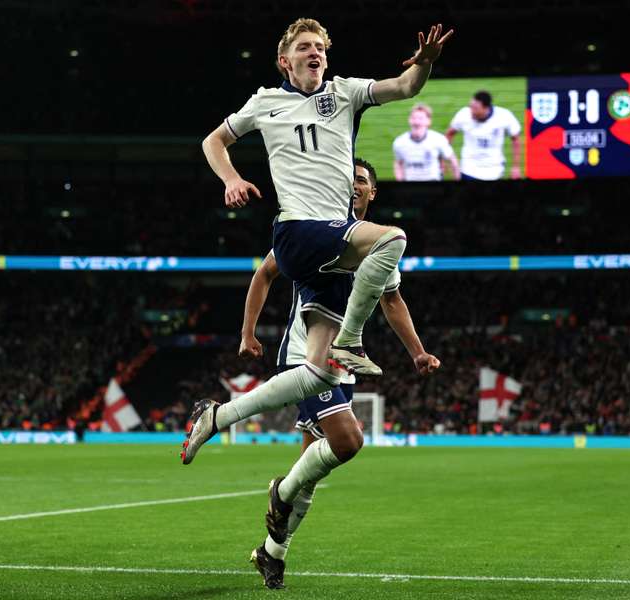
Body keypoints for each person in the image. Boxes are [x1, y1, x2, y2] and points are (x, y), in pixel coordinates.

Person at [183, 12, 451, 574]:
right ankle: (350, 341)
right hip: (299, 232)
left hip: (331, 246)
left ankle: (221, 423)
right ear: (285, 60)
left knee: (322, 380)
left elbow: (403, 87)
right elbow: (213, 139)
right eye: (304, 48)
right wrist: (230, 178)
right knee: (395, 237)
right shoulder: (265, 102)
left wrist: (423, 65)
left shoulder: (346, 95)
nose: (314, 54)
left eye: (320, 48)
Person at [239, 158, 440, 588]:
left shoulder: (380, 244)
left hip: (341, 364)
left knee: (312, 470)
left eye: (361, 181)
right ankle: (276, 489)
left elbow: (392, 302)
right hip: (306, 356)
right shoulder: (315, 231)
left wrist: (418, 353)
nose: (353, 186)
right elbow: (264, 273)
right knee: (347, 440)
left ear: (372, 193)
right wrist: (248, 332)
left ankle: (271, 554)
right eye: (348, 180)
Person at [445, 90, 522, 180]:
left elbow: (516, 139)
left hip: (494, 171)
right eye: (471, 107)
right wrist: (443, 159)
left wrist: (516, 167)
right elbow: (449, 134)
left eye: (475, 109)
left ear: (486, 108)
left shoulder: (504, 116)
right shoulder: (464, 114)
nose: (471, 112)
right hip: (468, 170)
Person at [392, 103, 460, 181]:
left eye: (421, 118)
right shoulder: (399, 142)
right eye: (414, 118)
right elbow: (398, 163)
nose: (417, 122)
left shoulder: (438, 139)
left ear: (428, 121)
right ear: (409, 120)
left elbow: (453, 161)